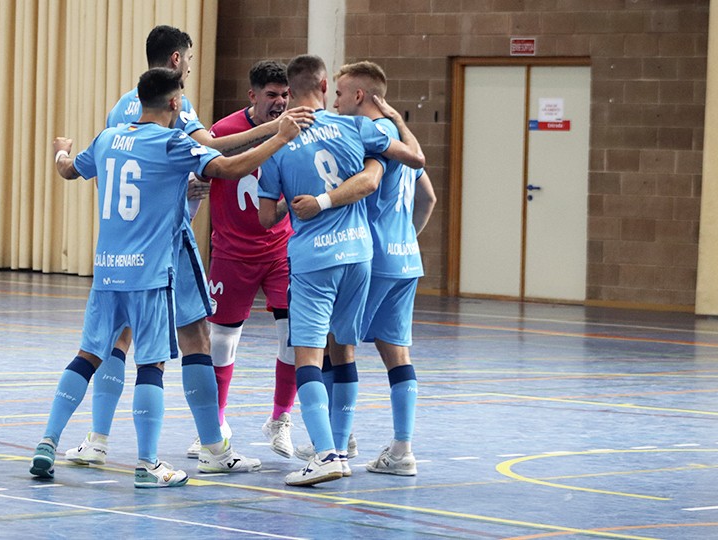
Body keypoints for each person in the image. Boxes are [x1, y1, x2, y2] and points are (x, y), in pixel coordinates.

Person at [30, 67, 300, 486]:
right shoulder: (173, 144)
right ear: (176, 102)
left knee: (88, 354)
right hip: (150, 272)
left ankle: (47, 441)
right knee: (152, 365)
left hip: (106, 273)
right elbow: (226, 167)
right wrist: (279, 138)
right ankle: (148, 463)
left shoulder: (105, 140)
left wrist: (59, 152)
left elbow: (68, 170)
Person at [257, 54, 425, 486]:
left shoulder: (281, 142)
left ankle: (332, 447)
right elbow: (418, 172)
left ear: (289, 93)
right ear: (324, 83)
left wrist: (315, 200)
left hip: (323, 256)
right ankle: (375, 444)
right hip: (376, 253)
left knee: (314, 353)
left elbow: (266, 217)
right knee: (357, 350)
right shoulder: (360, 129)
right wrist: (396, 120)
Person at [327, 61, 437, 476]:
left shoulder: (370, 139)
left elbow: (364, 184)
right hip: (406, 257)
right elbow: (428, 199)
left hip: (370, 258)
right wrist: (405, 237)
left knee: (339, 344)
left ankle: (336, 446)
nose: (334, 101)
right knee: (396, 352)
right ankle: (402, 449)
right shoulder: (400, 136)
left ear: (359, 95)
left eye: (339, 93)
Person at [195, 60, 297, 460]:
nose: (280, 102)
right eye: (272, 95)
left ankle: (280, 418)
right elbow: (201, 172)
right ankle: (216, 424)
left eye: (285, 95)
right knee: (221, 343)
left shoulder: (294, 134)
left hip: (279, 250)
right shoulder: (222, 132)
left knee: (293, 335)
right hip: (232, 253)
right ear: (252, 95)